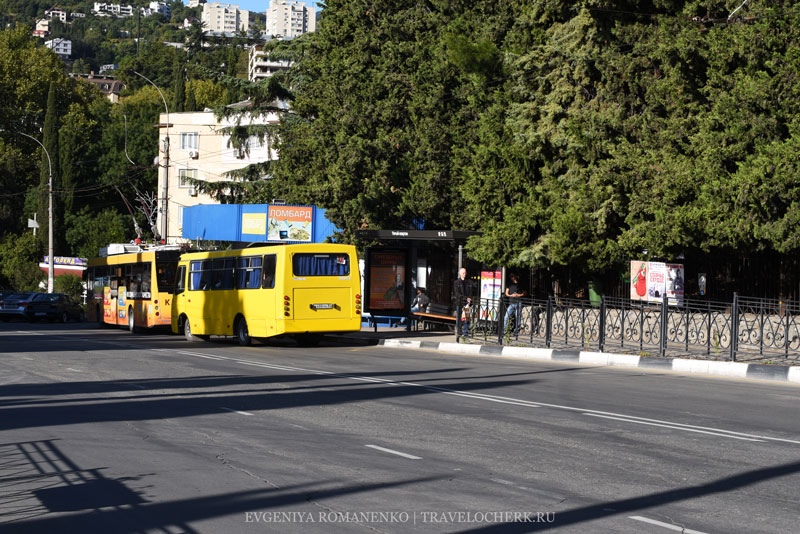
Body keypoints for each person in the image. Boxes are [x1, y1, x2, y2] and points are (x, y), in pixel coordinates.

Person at [503, 272, 527, 337]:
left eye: (513, 276)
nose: (512, 278)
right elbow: (506, 293)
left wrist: (518, 295)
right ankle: (504, 330)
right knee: (506, 317)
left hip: (518, 302)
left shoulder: (520, 283)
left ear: (516, 276)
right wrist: (511, 295)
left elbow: (525, 293)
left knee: (518, 317)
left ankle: (516, 331)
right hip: (511, 302)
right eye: (511, 276)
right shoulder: (509, 284)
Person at [453, 267, 474, 337]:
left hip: (467, 303)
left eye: (465, 273)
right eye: (463, 273)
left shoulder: (469, 282)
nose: (464, 274)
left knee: (467, 318)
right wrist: (466, 298)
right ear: (460, 274)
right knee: (459, 318)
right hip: (460, 303)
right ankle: (459, 332)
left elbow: (471, 292)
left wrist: (469, 299)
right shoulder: (456, 282)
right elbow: (457, 293)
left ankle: (465, 332)